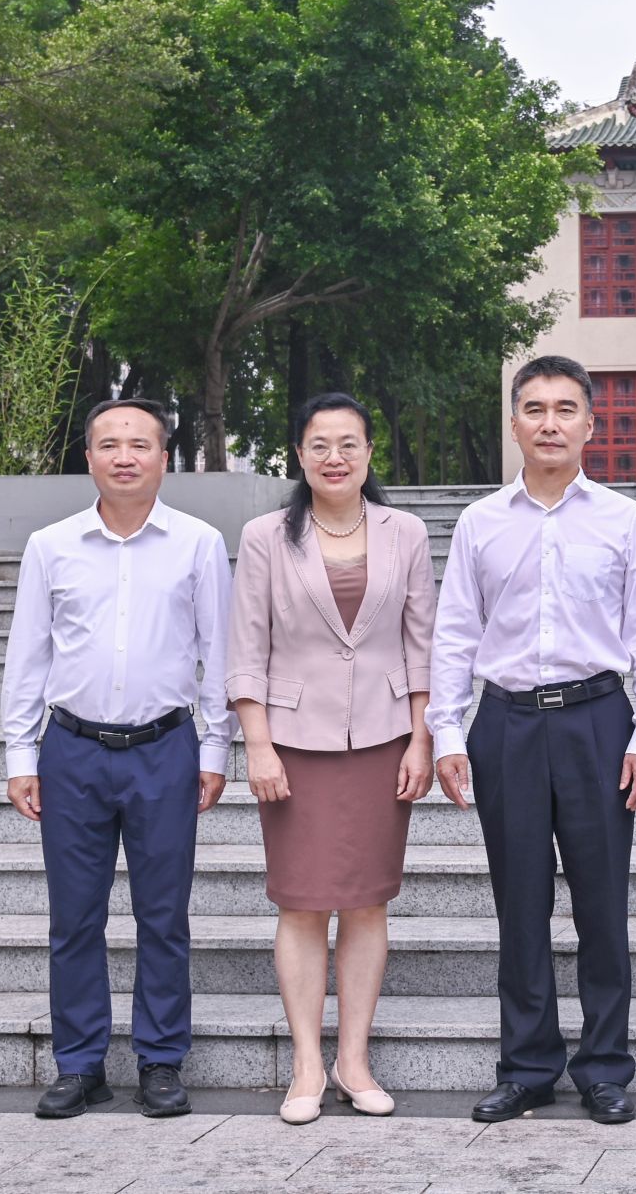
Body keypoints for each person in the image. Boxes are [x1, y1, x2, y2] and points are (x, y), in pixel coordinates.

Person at [429, 355, 636, 1126]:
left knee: (602, 903)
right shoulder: (481, 522)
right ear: (514, 424)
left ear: (590, 424)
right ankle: (528, 1065)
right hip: (505, 723)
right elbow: (455, 631)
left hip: (597, 720)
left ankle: (604, 1066)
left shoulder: (623, 520)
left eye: (566, 409)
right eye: (534, 409)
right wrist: (446, 728)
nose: (550, 423)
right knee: (520, 901)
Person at [1, 398, 231, 1120]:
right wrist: (21, 751)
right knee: (75, 917)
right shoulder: (51, 545)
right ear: (89, 456)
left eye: (139, 443)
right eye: (109, 444)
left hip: (165, 749)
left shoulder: (197, 543)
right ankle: (79, 1064)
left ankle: (161, 1060)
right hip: (72, 750)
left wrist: (216, 745)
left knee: (163, 914)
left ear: (164, 456)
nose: (124, 456)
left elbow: (218, 652)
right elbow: (28, 653)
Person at [225, 393, 436, 1124]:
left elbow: (422, 643)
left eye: (349, 443)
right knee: (302, 902)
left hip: (383, 736)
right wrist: (257, 744)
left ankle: (354, 1059)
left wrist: (422, 737)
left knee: (368, 900)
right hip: (292, 742)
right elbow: (246, 646)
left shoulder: (406, 533)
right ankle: (306, 1066)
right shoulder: (265, 536)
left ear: (370, 452)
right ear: (300, 455)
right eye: (319, 444)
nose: (335, 457)